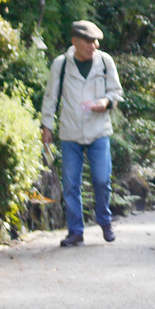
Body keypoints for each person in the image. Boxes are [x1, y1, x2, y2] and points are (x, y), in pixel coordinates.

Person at [41, 20, 124, 247]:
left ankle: (105, 221)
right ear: (75, 42)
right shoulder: (61, 65)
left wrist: (105, 103)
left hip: (99, 130)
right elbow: (51, 97)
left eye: (96, 41)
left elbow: (116, 92)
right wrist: (47, 127)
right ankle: (75, 231)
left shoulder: (105, 62)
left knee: (101, 179)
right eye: (89, 41)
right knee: (70, 184)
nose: (94, 45)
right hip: (70, 132)